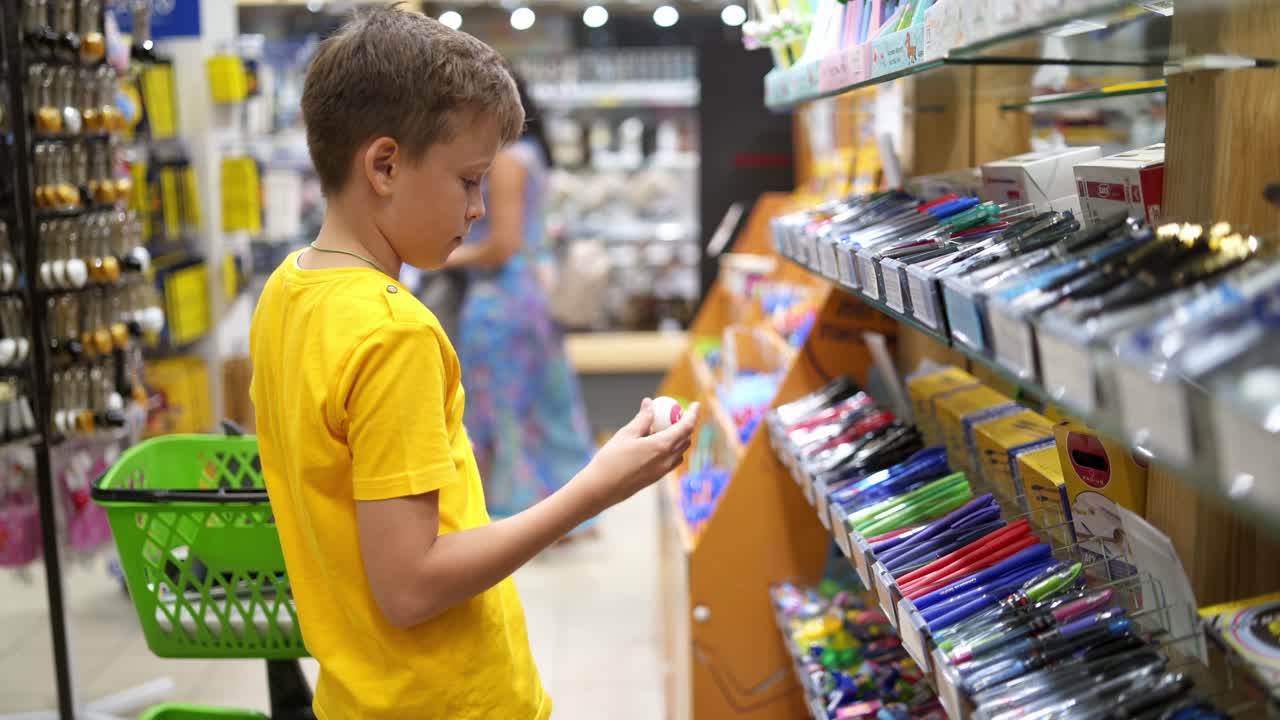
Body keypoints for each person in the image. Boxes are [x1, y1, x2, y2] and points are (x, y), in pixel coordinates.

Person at [247, 8, 698, 720]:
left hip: (363, 693)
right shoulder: (392, 332)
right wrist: (595, 488)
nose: (481, 208)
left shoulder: (288, 290)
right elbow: (412, 586)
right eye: (467, 181)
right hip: (448, 700)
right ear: (386, 165)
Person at [442, 70, 596, 527]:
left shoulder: (506, 160)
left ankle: (516, 514)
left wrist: (442, 257)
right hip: (531, 294)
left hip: (503, 300)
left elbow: (501, 245)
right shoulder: (531, 154)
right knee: (545, 407)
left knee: (502, 410)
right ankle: (564, 513)